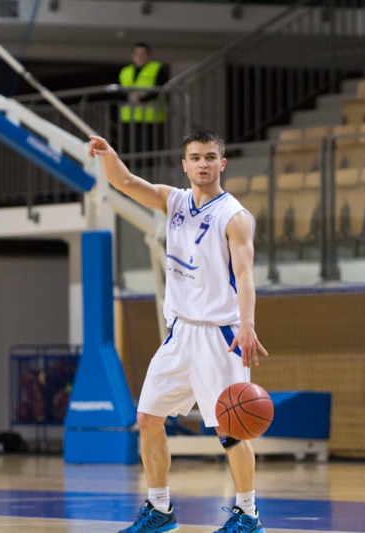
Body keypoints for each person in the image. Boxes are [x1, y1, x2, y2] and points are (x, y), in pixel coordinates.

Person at [88, 130, 268, 533]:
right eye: (195, 157)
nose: (202, 163)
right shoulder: (174, 201)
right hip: (179, 332)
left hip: (219, 336)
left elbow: (245, 273)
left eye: (210, 156)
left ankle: (249, 514)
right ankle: (160, 510)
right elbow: (126, 183)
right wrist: (110, 155)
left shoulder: (234, 216)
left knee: (231, 429)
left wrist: (249, 325)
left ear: (222, 163)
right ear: (184, 164)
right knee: (148, 417)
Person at [118, 42, 169, 154]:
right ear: (132, 56)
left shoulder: (157, 68)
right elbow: (118, 91)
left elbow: (160, 90)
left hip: (151, 118)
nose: (139, 57)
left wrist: (141, 98)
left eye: (143, 54)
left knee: (149, 149)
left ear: (148, 55)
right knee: (130, 149)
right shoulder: (125, 71)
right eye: (137, 54)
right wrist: (128, 97)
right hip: (129, 117)